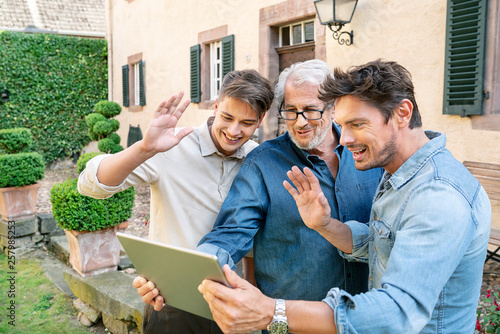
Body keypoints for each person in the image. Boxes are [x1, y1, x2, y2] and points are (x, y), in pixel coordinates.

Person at [198, 59, 492, 334]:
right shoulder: (395, 172)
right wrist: (326, 225)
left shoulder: (437, 194)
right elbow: (378, 242)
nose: (346, 138)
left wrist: (271, 311)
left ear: (402, 113)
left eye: (356, 124)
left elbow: (396, 312)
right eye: (291, 110)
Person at [77, 69, 275, 334]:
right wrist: (145, 147)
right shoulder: (171, 144)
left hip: (231, 304)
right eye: (227, 117)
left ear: (260, 120)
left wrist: (252, 291)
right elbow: (90, 185)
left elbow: (252, 231)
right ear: (215, 107)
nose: (233, 130)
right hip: (170, 303)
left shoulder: (258, 157)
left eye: (247, 123)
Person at [194, 59, 383, 310]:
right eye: (291, 110)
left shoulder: (368, 152)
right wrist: (200, 266)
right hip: (290, 323)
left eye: (310, 110)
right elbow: (231, 232)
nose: (300, 122)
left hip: (365, 317)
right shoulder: (262, 164)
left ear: (333, 108)